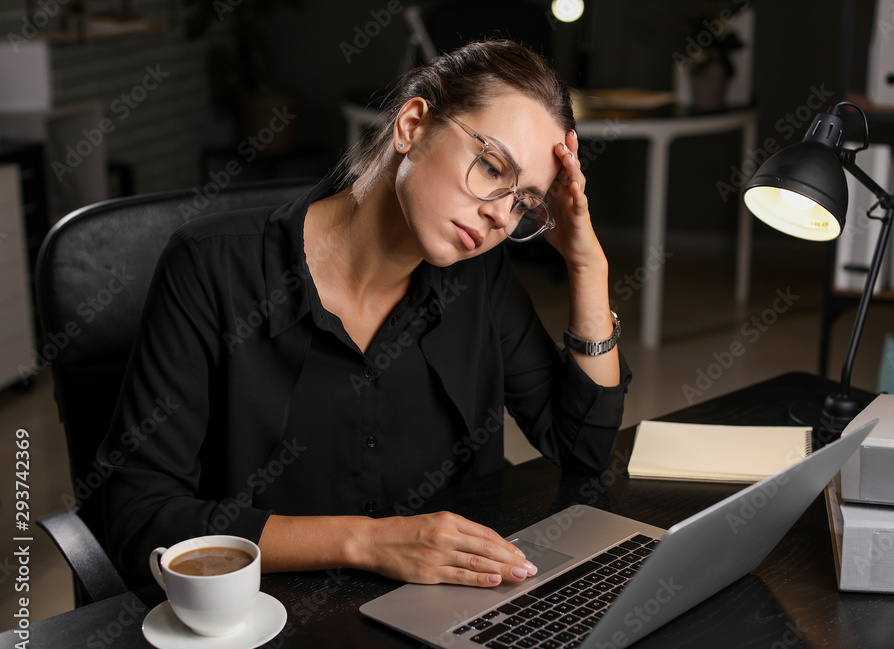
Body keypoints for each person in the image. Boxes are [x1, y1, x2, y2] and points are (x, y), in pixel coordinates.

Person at [99, 39, 631, 588]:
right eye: (493, 167)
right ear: (412, 125)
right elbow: (140, 518)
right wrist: (368, 543)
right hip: (267, 623)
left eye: (524, 202)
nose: (500, 214)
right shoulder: (210, 268)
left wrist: (587, 266)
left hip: (444, 611)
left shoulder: (480, 276)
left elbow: (584, 448)